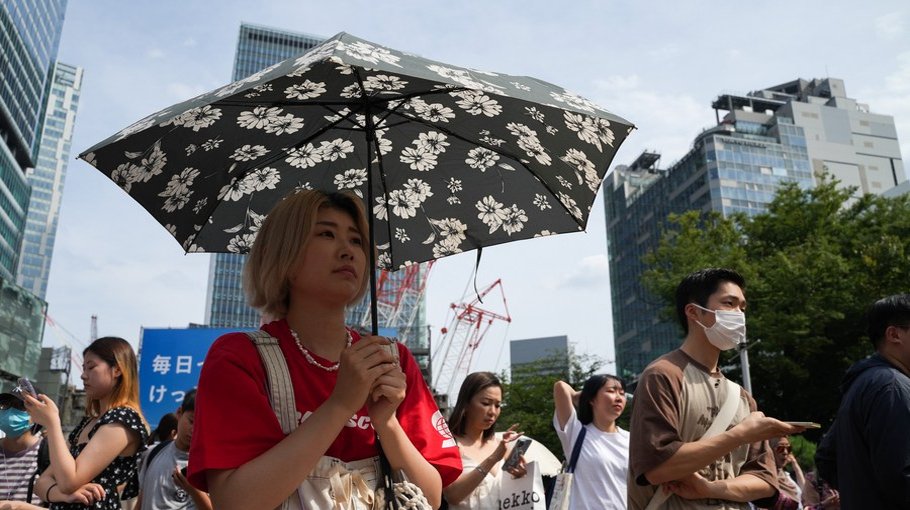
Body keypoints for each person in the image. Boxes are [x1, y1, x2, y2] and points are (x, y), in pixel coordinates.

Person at [187, 190, 461, 509]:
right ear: (283, 253)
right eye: (326, 234)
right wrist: (340, 405)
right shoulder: (240, 357)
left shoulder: (391, 359)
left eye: (357, 240)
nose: (348, 251)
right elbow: (235, 502)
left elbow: (431, 496)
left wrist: (387, 422)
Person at [628, 268, 806, 509]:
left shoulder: (742, 397)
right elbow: (657, 468)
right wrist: (741, 435)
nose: (739, 315)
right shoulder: (663, 375)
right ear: (694, 312)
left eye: (742, 307)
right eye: (729, 303)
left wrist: (709, 489)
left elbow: (764, 481)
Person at [24, 336, 149, 509]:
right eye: (84, 368)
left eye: (91, 367)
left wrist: (52, 423)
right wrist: (65, 496)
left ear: (117, 370)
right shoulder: (88, 422)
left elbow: (69, 481)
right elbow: (41, 483)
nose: (83, 375)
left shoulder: (123, 420)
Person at [815, 294, 910, 509]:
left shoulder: (864, 383)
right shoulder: (893, 387)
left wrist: (861, 490)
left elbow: (826, 457)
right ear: (894, 334)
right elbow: (902, 477)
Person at [442, 372, 526, 510]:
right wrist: (492, 459)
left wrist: (522, 476)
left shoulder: (502, 446)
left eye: (498, 405)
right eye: (486, 403)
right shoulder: (450, 444)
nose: (492, 411)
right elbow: (453, 496)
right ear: (466, 403)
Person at [552, 375, 629, 509]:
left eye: (622, 393)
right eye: (611, 391)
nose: (618, 398)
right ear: (592, 399)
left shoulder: (630, 439)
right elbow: (560, 387)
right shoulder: (576, 433)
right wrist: (583, 396)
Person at [136, 390, 210, 510]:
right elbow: (142, 498)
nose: (194, 430)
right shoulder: (153, 452)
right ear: (179, 413)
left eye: (202, 426)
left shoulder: (208, 466)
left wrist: (194, 490)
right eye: (191, 421)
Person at [0, 386, 44, 505]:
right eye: (5, 405)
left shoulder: (48, 453)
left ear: (38, 415)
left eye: (21, 406)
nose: (10, 411)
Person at [761, 437, 805, 510]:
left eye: (788, 448)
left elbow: (804, 492)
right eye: (780, 448)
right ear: (769, 450)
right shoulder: (764, 478)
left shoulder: (786, 476)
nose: (785, 452)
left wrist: (795, 463)